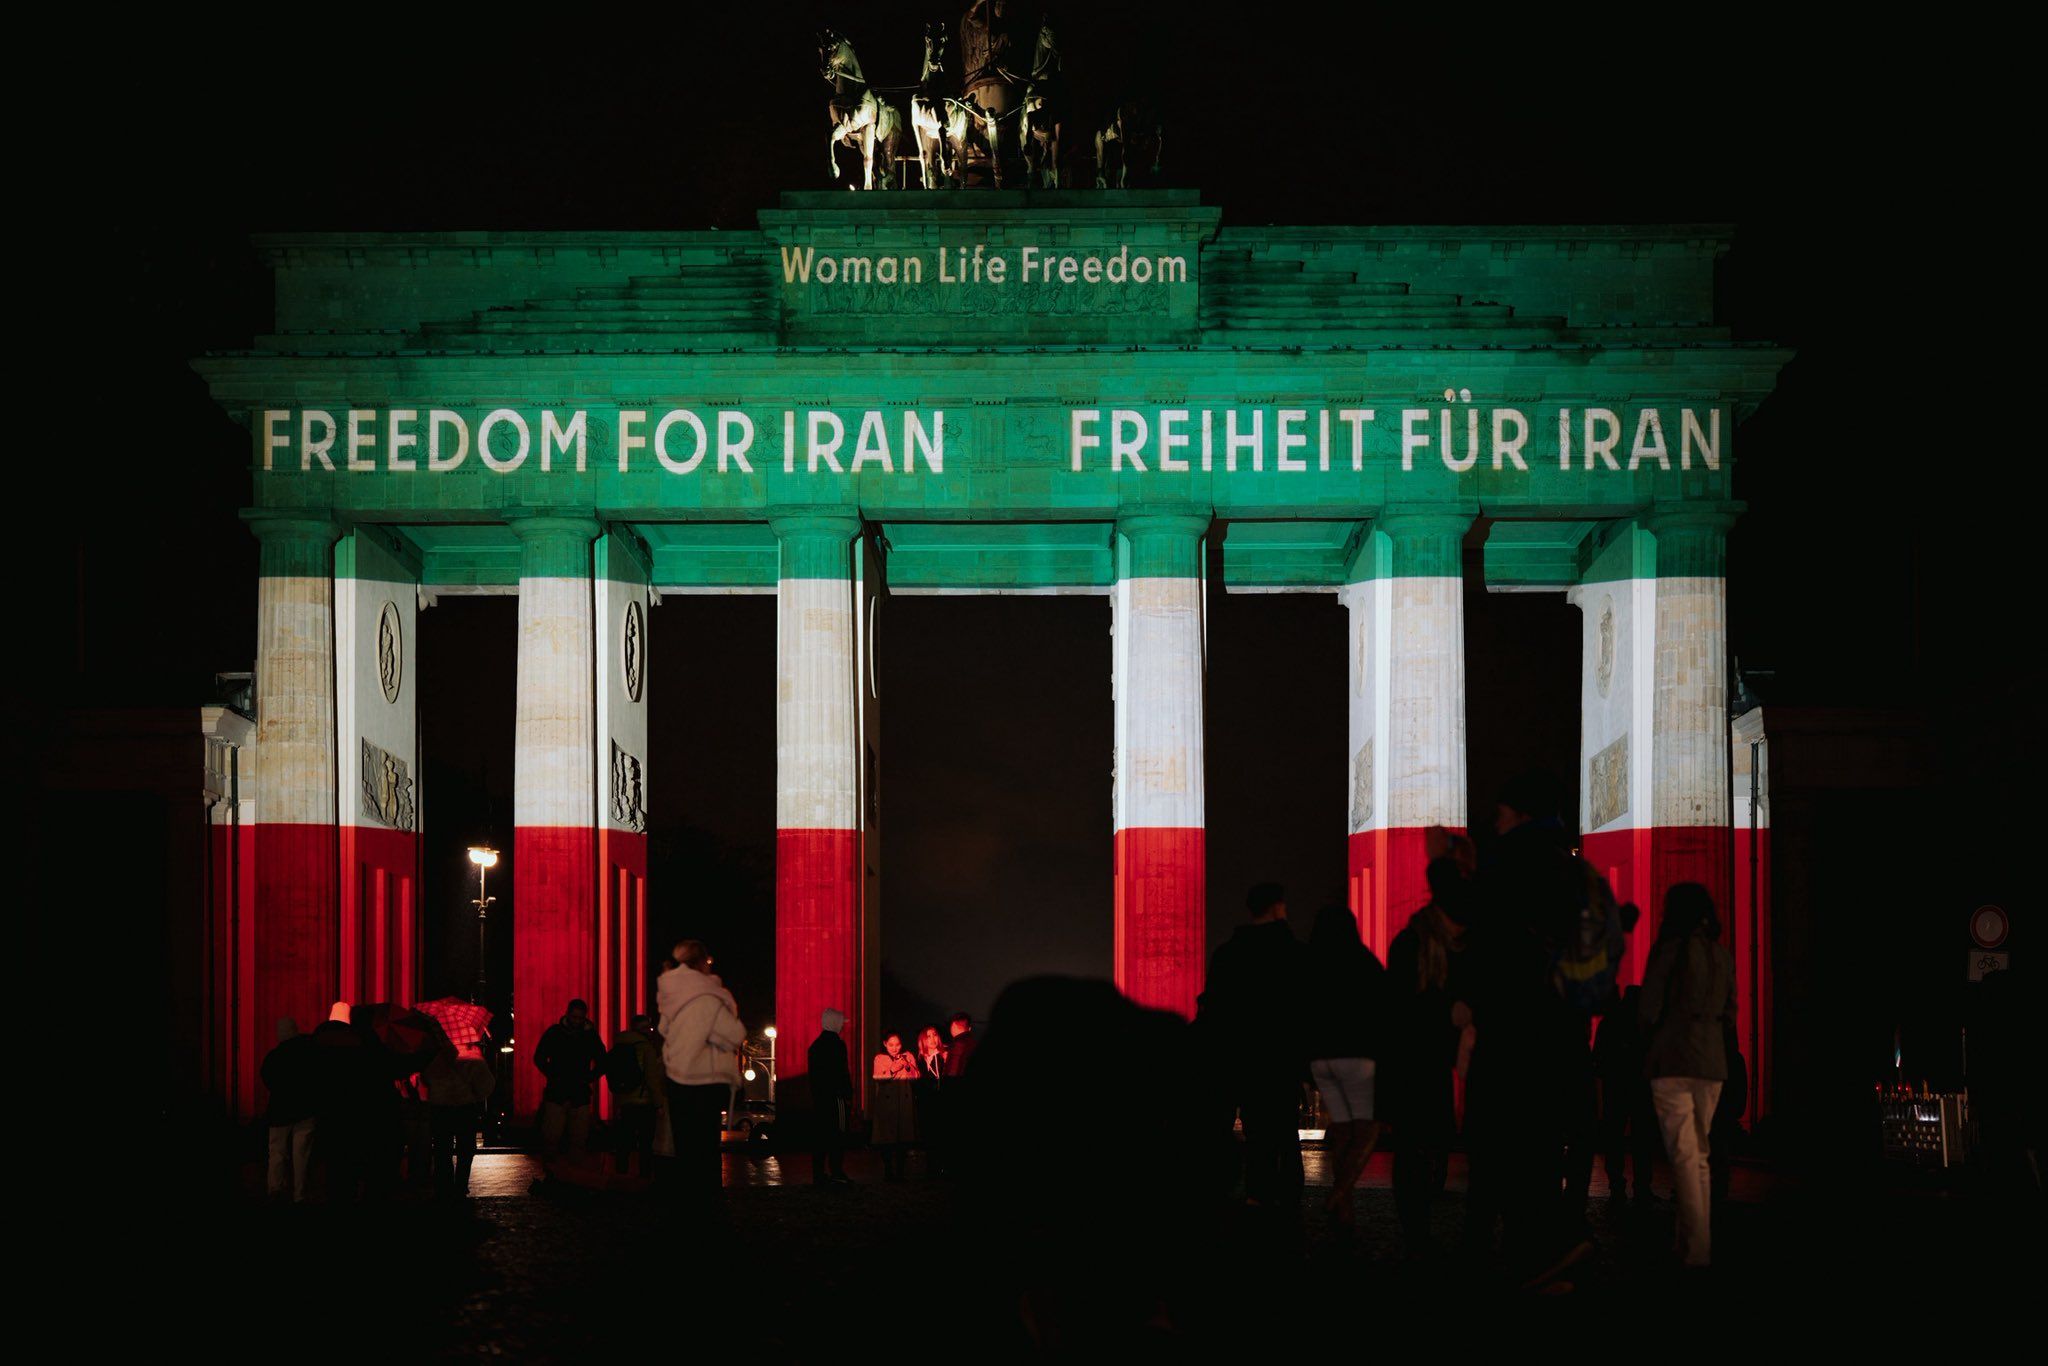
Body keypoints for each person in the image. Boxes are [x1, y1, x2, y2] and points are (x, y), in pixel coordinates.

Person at [1462, 771, 1595, 1287]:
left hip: (1513, 1025)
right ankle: (1545, 1248)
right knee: (1536, 1143)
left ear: (1517, 815)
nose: (1493, 822)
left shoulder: (1509, 864)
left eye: (1498, 814)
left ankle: (1535, 1249)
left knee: (1501, 1139)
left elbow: (1485, 937)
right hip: (1561, 1029)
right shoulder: (1574, 870)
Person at [1639, 881, 1736, 1269]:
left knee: (1683, 1153)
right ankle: (1691, 1243)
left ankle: (1695, 1249)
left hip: (1674, 1055)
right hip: (1712, 1061)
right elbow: (1730, 1014)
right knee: (1698, 1153)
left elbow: (1648, 1008)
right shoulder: (1721, 956)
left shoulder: (1670, 952)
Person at [1197, 882, 1309, 1216]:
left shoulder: (1227, 954)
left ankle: (1256, 1194)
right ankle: (1288, 1196)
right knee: (1285, 1128)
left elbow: (1214, 1010)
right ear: (1277, 907)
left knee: (1255, 1127)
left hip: (1239, 1056)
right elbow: (1306, 1008)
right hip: (1281, 1055)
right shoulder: (1295, 953)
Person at [1381, 856, 1470, 1255]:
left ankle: (1415, 1228)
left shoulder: (1408, 941)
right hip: (1422, 1061)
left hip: (1410, 1061)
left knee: (1414, 1146)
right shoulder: (1439, 949)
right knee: (1424, 1143)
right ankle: (1419, 1228)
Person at [1303, 902, 1385, 1235]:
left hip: (1321, 1059)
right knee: (1366, 1128)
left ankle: (1345, 1206)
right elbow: (1384, 1008)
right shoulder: (1364, 962)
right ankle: (1339, 1192)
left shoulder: (1309, 964)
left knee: (1341, 1129)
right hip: (1357, 1057)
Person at [658, 940, 747, 1202]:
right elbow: (735, 1034)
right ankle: (706, 1203)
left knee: (685, 1145)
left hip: (677, 1078)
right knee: (706, 1146)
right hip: (705, 1079)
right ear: (701, 964)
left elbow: (665, 1030)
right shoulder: (709, 998)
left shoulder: (671, 997)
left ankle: (685, 1200)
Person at [312, 1001, 390, 1202]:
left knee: (336, 1160)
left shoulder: (320, 1037)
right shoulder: (365, 1041)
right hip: (360, 1109)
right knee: (358, 1157)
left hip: (331, 1107)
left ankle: (338, 1196)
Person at [1593, 986, 1660, 1208]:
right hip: (1641, 1090)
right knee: (1642, 1140)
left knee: (1615, 1139)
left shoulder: (1610, 1024)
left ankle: (1617, 1186)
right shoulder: (1645, 1026)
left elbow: (1599, 1060)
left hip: (1616, 1089)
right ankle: (1641, 1188)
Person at [423, 1039, 496, 1197]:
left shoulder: (435, 1057)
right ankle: (461, 1185)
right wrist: (474, 1095)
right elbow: (487, 1085)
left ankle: (444, 1185)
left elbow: (426, 1079)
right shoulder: (473, 1059)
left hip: (441, 1107)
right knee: (466, 1149)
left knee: (443, 1149)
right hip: (464, 1108)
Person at [535, 999, 605, 1160]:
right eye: (575, 1017)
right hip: (578, 1091)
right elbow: (603, 1061)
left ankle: (554, 1174)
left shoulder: (554, 1032)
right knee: (576, 1140)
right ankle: (573, 1175)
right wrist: (589, 1077)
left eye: (579, 1018)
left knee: (553, 1138)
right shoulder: (590, 1035)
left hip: (558, 1090)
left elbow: (539, 1058)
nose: (576, 1021)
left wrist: (552, 1073)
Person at [260, 1018, 319, 1204]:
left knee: (277, 1152)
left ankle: (275, 1189)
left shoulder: (273, 1057)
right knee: (301, 1154)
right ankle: (300, 1193)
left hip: (280, 1111)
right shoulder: (309, 1052)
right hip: (305, 1109)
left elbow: (267, 1078)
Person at [605, 1012, 663, 1179]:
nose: (650, 1031)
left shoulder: (618, 1045)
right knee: (645, 1144)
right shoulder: (646, 1048)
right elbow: (652, 1078)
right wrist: (658, 1104)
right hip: (644, 1102)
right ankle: (644, 1178)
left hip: (624, 1102)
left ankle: (620, 1175)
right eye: (647, 1028)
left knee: (624, 1142)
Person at [808, 1008, 854, 1185]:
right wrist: (848, 1093)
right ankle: (836, 1171)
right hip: (836, 1098)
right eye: (841, 1022)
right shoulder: (838, 1044)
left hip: (820, 1099)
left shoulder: (815, 1046)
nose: (842, 1026)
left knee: (821, 1135)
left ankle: (818, 1174)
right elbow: (843, 1072)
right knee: (838, 1133)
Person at [871, 1032, 921, 1180]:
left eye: (897, 1044)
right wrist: (893, 1068)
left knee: (903, 1137)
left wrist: (907, 1066)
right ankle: (888, 1169)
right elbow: (878, 1077)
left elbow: (917, 1076)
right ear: (885, 1044)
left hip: (904, 1102)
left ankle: (900, 1170)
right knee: (887, 1137)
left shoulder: (908, 1056)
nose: (894, 1048)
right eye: (891, 1044)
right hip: (887, 1104)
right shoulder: (880, 1058)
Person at [1710, 1017, 1748, 1206]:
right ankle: (1719, 1187)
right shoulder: (1734, 1058)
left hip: (1714, 1109)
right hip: (1724, 1110)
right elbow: (1741, 1086)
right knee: (1720, 1149)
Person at [913, 1025, 948, 1173]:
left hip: (941, 1101)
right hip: (926, 1102)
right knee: (928, 1134)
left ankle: (943, 1166)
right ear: (923, 1040)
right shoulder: (920, 1059)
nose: (933, 1039)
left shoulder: (944, 1055)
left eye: (934, 1035)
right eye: (928, 1036)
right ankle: (931, 1167)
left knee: (942, 1133)